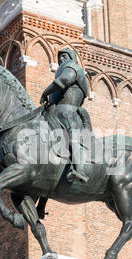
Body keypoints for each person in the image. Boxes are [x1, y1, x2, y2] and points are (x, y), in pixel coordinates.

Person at [40, 48, 90, 183]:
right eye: (59, 57)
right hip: (56, 112)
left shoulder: (72, 67)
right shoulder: (67, 67)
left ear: (71, 58)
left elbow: (65, 79)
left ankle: (80, 170)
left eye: (64, 56)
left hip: (68, 112)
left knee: (72, 137)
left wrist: (45, 93)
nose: (61, 59)